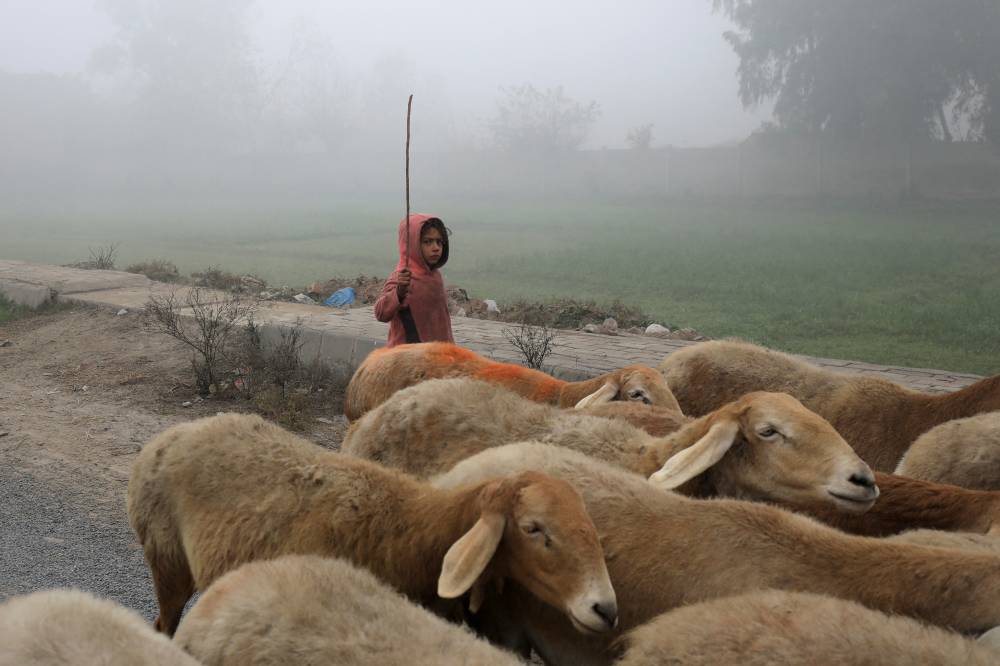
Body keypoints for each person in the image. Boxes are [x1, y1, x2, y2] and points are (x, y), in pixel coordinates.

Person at [374, 214, 454, 347]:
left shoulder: (435, 276)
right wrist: (399, 292)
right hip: (408, 354)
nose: (436, 248)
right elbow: (380, 313)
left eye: (439, 242)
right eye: (427, 242)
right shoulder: (403, 276)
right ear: (412, 245)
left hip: (438, 353)